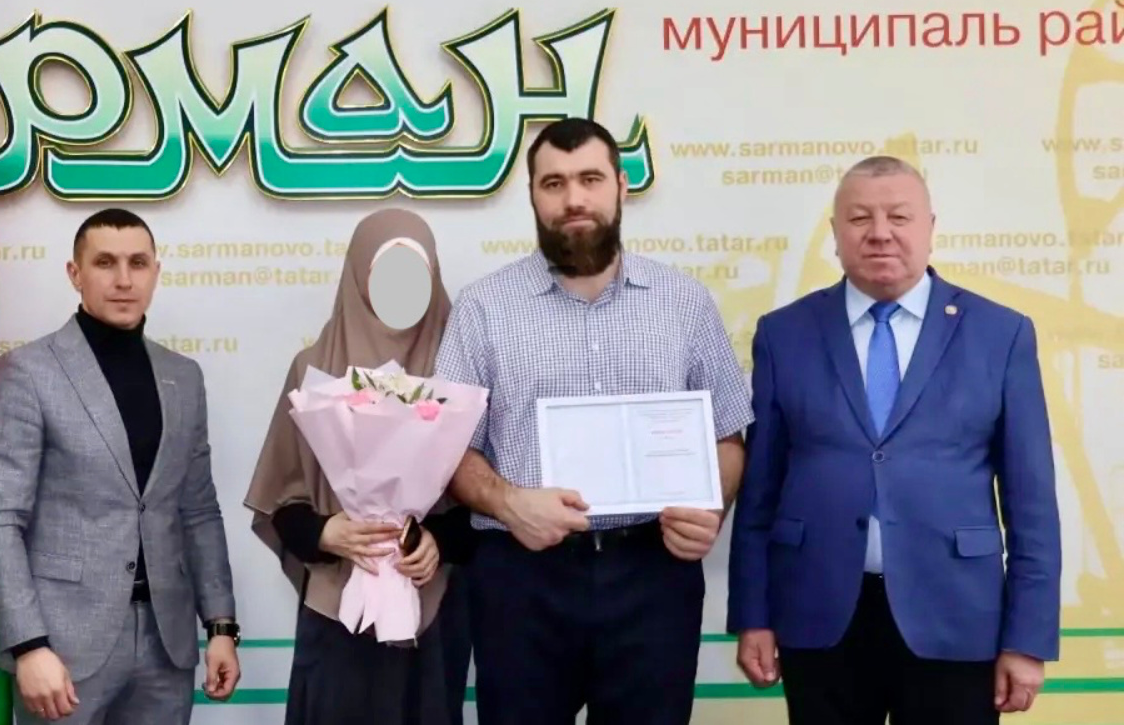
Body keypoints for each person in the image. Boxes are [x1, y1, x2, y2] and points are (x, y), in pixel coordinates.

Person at [435, 116, 754, 725]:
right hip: (521, 578)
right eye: (553, 183)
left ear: (621, 186)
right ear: (532, 195)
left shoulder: (683, 301)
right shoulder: (482, 308)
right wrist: (508, 502)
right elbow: (448, 449)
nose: (573, 199)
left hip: (654, 573)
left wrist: (710, 508)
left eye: (590, 179)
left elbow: (728, 434)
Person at [726, 156, 1060, 724]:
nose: (880, 233)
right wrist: (753, 615)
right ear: (835, 233)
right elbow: (760, 493)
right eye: (860, 218)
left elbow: (1032, 504)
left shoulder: (1001, 334)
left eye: (899, 217)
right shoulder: (784, 334)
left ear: (930, 228)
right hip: (818, 616)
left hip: (956, 617)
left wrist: (1027, 638)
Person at [0, 208, 241, 724]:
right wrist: (28, 645)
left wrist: (221, 626)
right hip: (62, 647)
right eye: (105, 263)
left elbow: (199, 512)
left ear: (155, 272)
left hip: (167, 644)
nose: (123, 280)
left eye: (137, 263)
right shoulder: (27, 373)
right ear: (75, 274)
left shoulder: (183, 377)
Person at [244, 208, 476, 725]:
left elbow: (487, 497)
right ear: (357, 276)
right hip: (337, 603)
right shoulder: (314, 368)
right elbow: (282, 497)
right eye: (385, 273)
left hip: (433, 605)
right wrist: (326, 532)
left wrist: (438, 541)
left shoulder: (460, 368)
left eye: (415, 274)